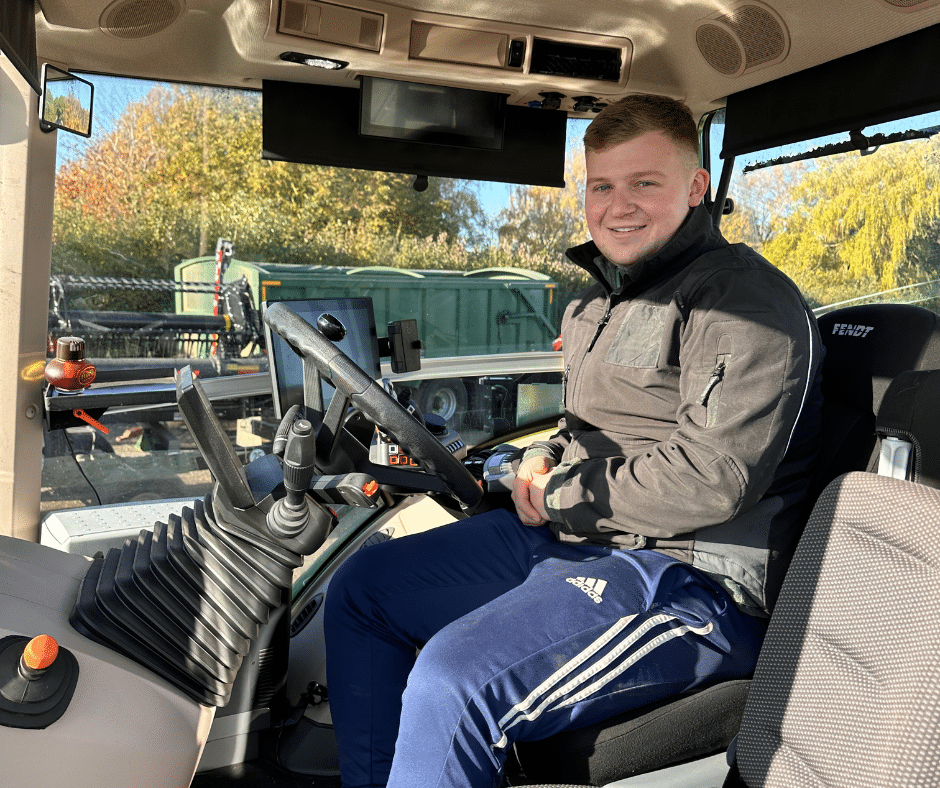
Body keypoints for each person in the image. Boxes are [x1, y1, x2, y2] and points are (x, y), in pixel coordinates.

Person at [324, 94, 824, 788]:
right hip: (578, 536)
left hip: (689, 578)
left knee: (454, 680)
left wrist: (559, 495)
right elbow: (579, 427)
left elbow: (713, 476)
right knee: (363, 588)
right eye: (602, 186)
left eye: (644, 183)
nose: (618, 206)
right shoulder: (595, 303)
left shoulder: (741, 302)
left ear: (696, 188)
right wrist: (542, 457)